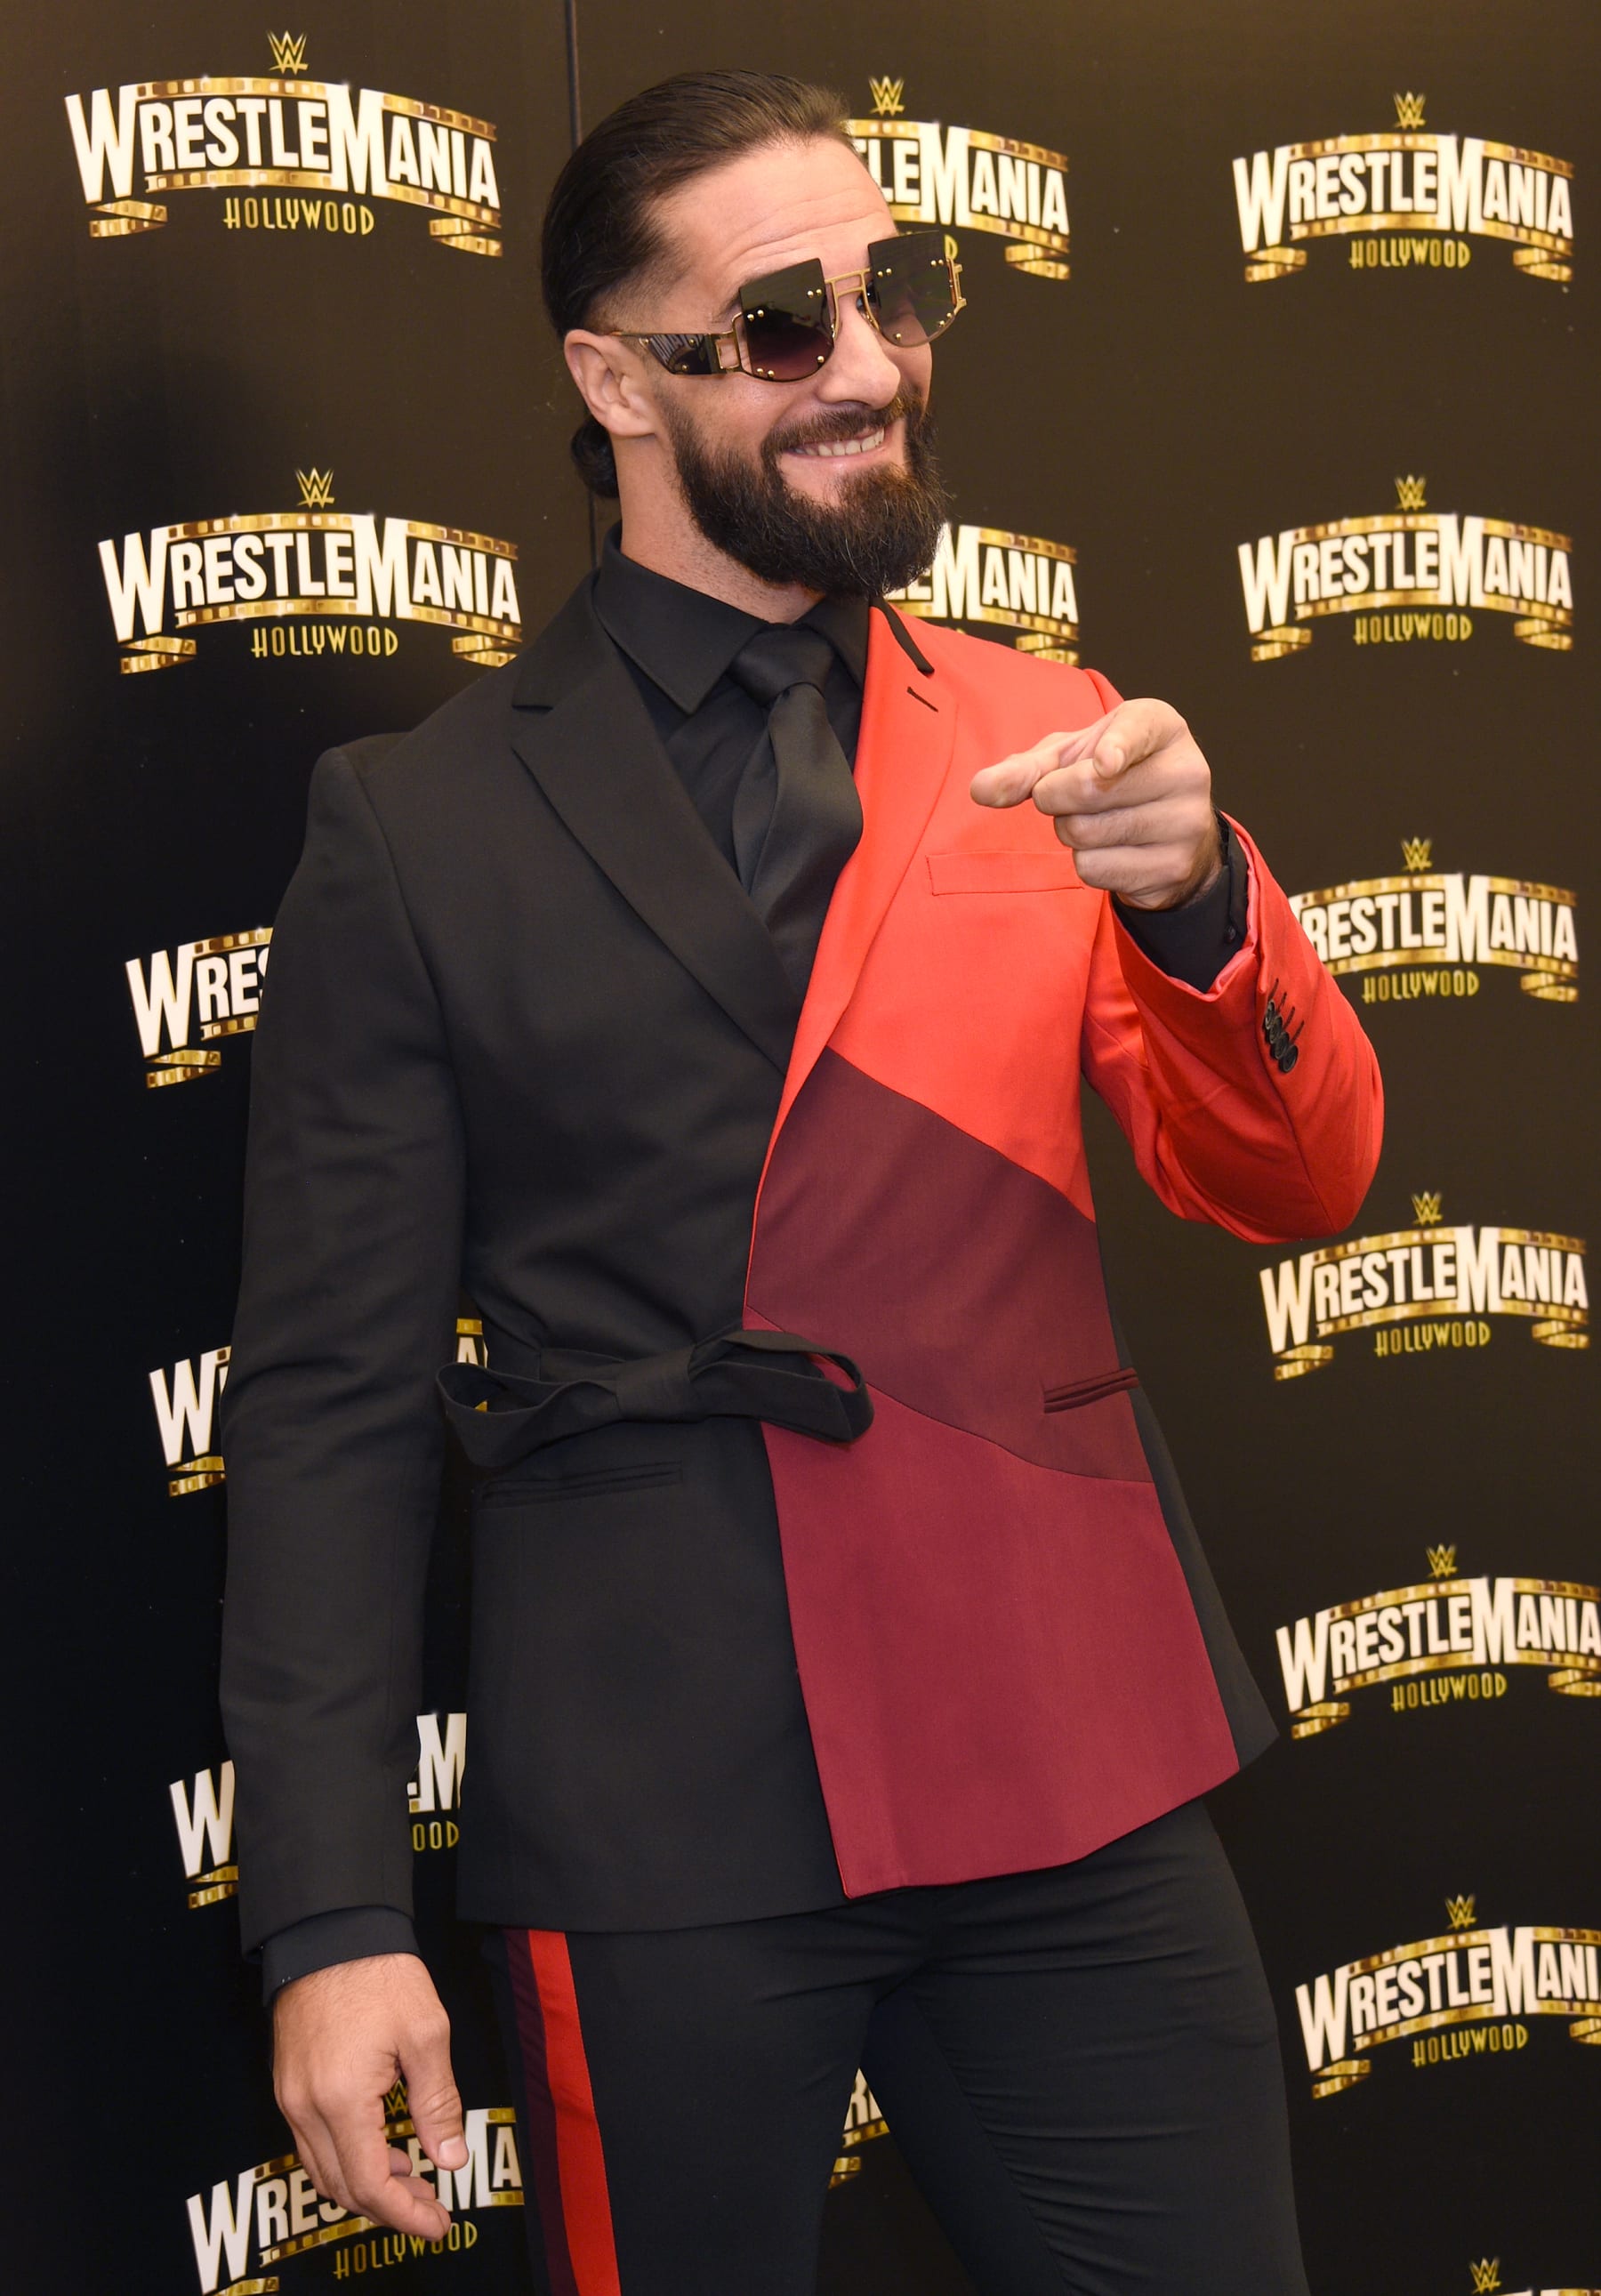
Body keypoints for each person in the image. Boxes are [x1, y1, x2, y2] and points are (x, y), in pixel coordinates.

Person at [221, 68, 1381, 2296]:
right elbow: (330, 1406)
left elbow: (1299, 1183)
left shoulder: (1061, 740)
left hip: (1072, 1758)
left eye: (893, 293)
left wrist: (1206, 906)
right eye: (779, 325)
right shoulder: (420, 824)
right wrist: (334, 1912)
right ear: (613, 383)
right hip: (664, 1788)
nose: (871, 364)